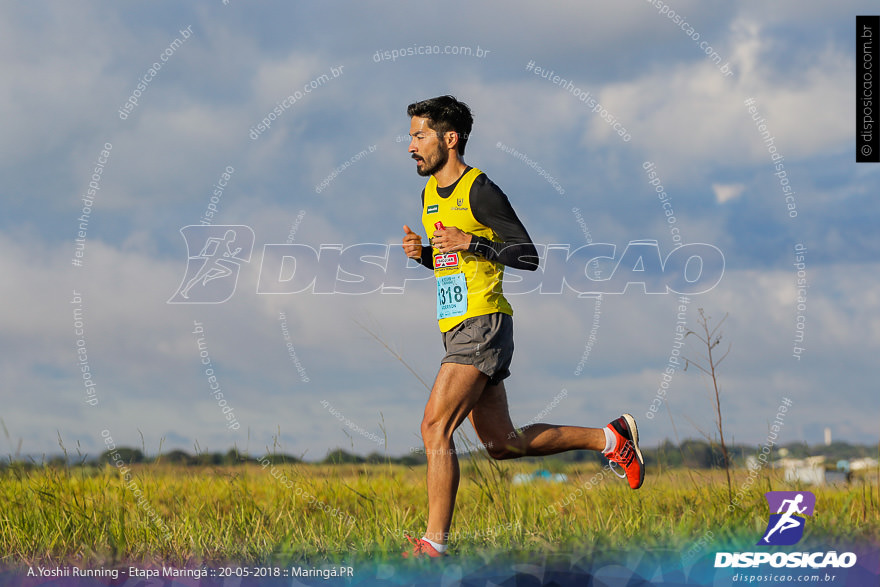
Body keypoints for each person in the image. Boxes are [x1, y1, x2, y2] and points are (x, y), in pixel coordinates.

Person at [400, 95, 644, 558]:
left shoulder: (480, 190)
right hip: (458, 325)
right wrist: (427, 256)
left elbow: (528, 255)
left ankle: (434, 544)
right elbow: (456, 260)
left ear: (449, 139)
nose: (411, 146)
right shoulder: (431, 193)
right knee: (502, 444)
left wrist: (470, 239)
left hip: (483, 322)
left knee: (434, 426)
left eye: (419, 136)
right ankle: (610, 438)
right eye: (411, 136)